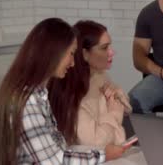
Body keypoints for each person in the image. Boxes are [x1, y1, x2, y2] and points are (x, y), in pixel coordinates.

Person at [0, 18, 128, 165]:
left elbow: (57, 148)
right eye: (71, 54)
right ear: (53, 53)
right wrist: (103, 155)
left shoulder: (39, 94)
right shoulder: (28, 101)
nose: (73, 63)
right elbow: (54, 161)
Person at [48, 20, 132, 148]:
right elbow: (95, 144)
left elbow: (126, 108)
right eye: (104, 48)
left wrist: (115, 97)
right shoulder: (71, 94)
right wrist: (113, 114)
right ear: (84, 54)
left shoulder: (99, 75)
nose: (111, 52)